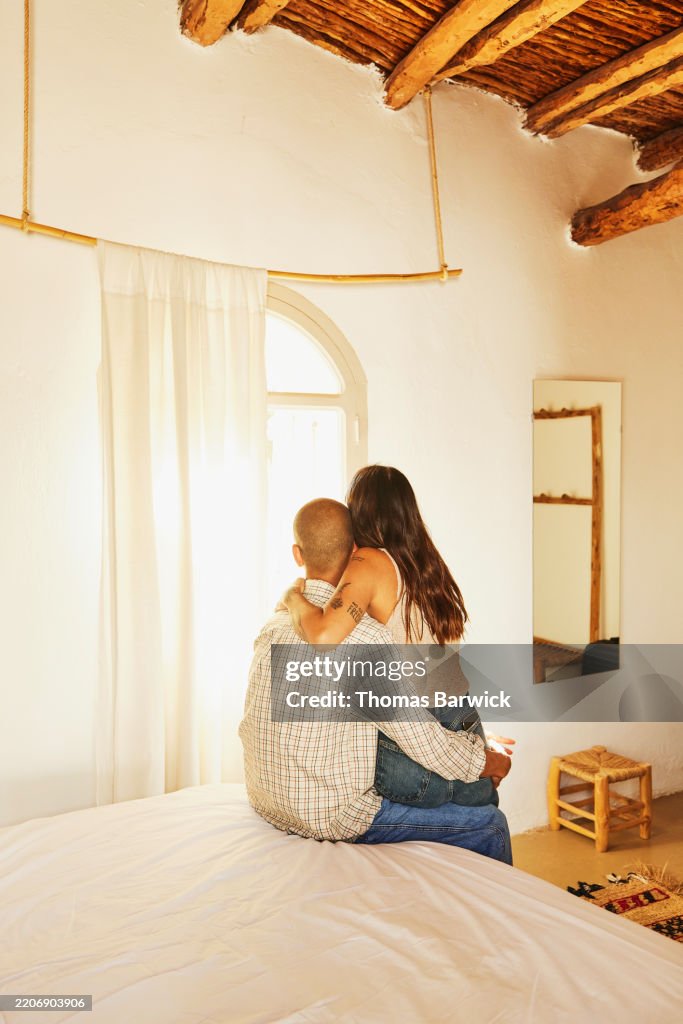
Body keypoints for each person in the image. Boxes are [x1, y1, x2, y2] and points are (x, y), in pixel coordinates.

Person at [240, 497, 512, 863]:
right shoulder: (368, 640)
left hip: (265, 798)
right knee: (491, 823)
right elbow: (424, 741)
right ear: (355, 552)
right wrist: (486, 761)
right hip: (332, 817)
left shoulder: (274, 625)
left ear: (297, 554)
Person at [280, 466, 513, 809]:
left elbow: (324, 637)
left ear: (357, 512)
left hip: (427, 727)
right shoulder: (422, 561)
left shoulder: (369, 562)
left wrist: (292, 597)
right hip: (461, 713)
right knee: (479, 816)